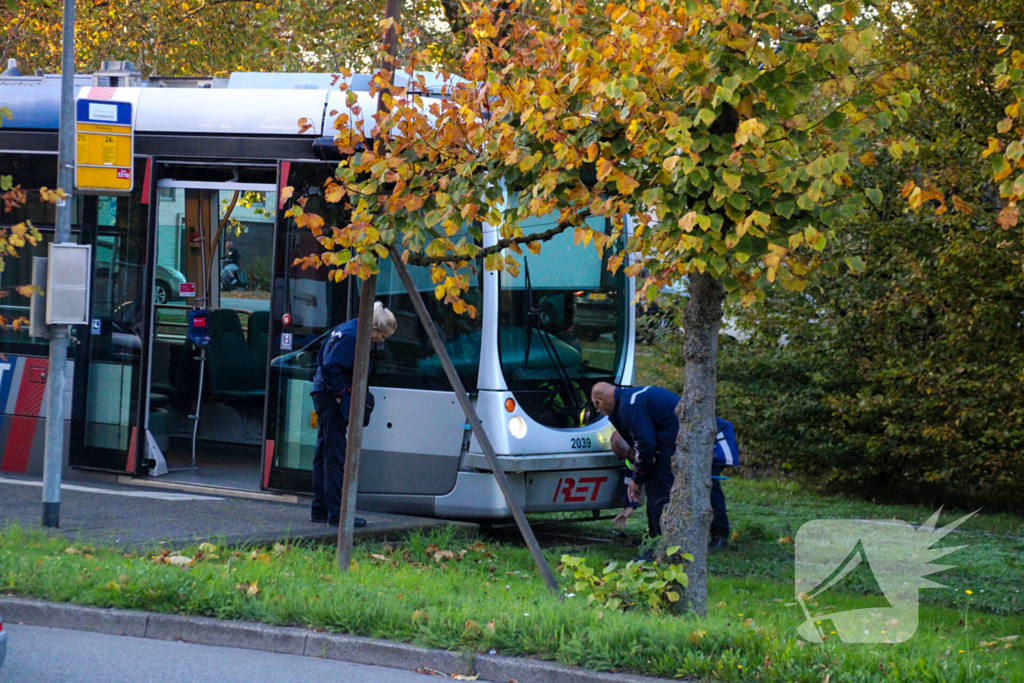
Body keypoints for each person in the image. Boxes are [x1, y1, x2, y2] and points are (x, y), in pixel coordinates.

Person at [592, 382, 735, 550]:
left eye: (627, 455)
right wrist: (630, 501)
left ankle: (720, 536)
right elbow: (643, 456)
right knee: (656, 485)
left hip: (712, 441)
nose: (629, 459)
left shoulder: (630, 406)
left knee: (707, 486)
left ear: (598, 402)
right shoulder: (629, 400)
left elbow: (645, 445)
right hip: (683, 444)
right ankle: (657, 539)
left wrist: (637, 479)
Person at [309, 302, 397, 527]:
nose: (382, 342)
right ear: (374, 329)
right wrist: (340, 394)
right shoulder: (354, 337)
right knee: (336, 455)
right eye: (382, 337)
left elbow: (324, 361)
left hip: (321, 391)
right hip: (331, 395)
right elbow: (331, 367)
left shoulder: (346, 328)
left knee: (324, 452)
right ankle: (337, 514)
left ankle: (320, 508)